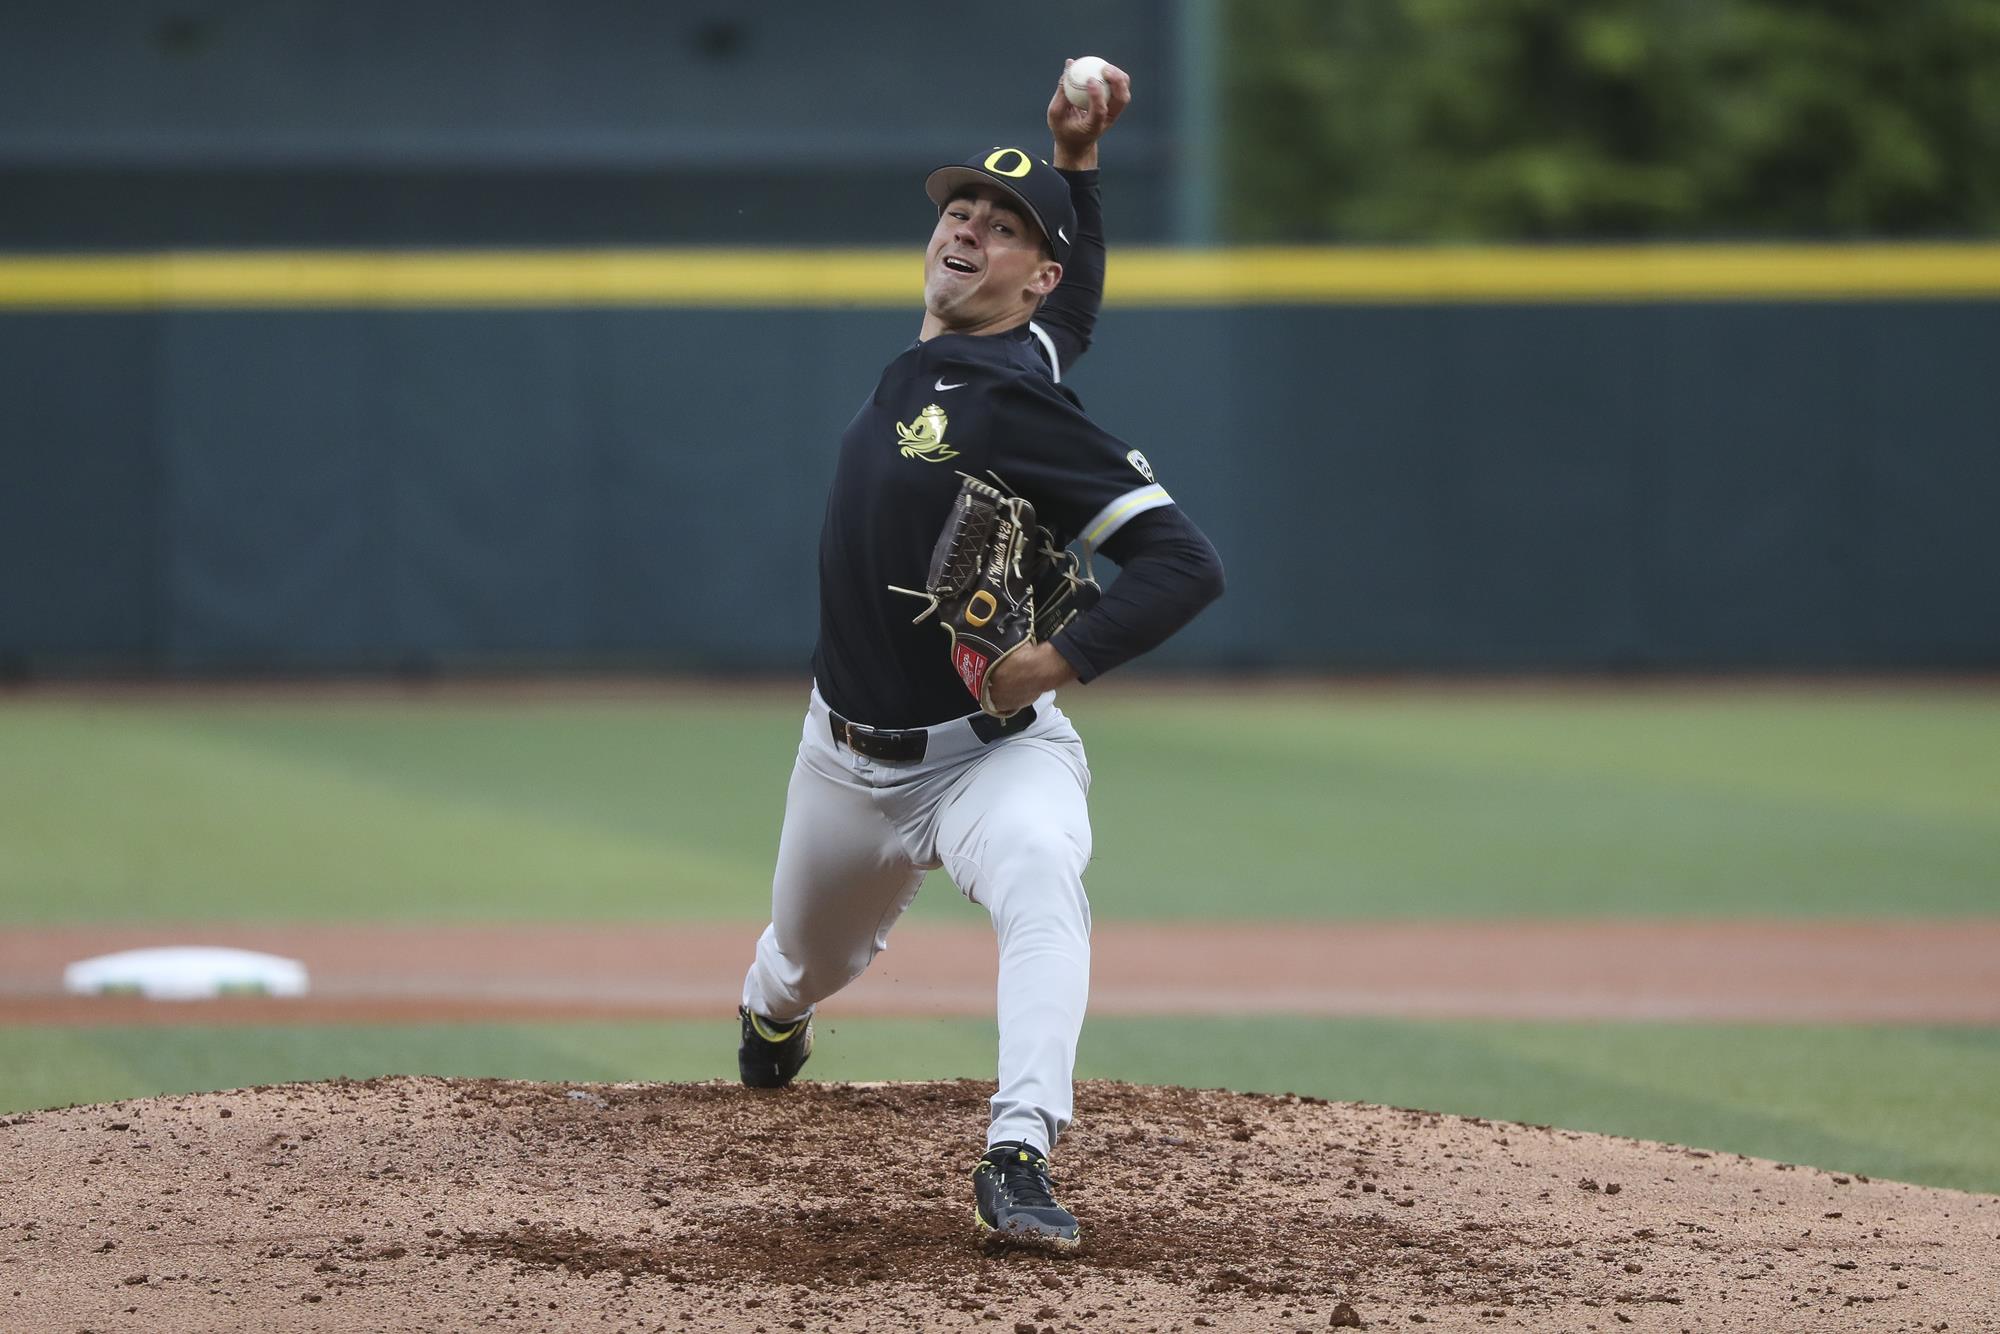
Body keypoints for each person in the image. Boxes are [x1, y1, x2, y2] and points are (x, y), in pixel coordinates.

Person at [735, 59, 1223, 1252]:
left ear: (1028, 275)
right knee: (801, 964)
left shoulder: (1018, 403)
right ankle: (771, 1012)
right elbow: (1077, 308)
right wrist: (1071, 165)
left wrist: (1054, 659)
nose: (971, 226)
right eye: (963, 209)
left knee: (1042, 874)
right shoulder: (1004, 356)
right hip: (842, 761)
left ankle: (1016, 1149)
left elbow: (1182, 562)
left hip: (987, 754)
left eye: (1004, 228)